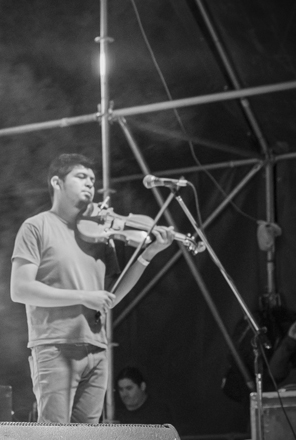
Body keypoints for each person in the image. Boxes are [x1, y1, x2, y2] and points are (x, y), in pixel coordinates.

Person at [10, 153, 174, 424]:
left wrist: (148, 254)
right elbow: (20, 289)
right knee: (54, 438)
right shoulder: (36, 227)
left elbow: (111, 296)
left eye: (92, 179)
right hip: (56, 347)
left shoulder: (101, 236)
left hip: (97, 349)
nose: (90, 184)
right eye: (81, 177)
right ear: (57, 183)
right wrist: (84, 297)